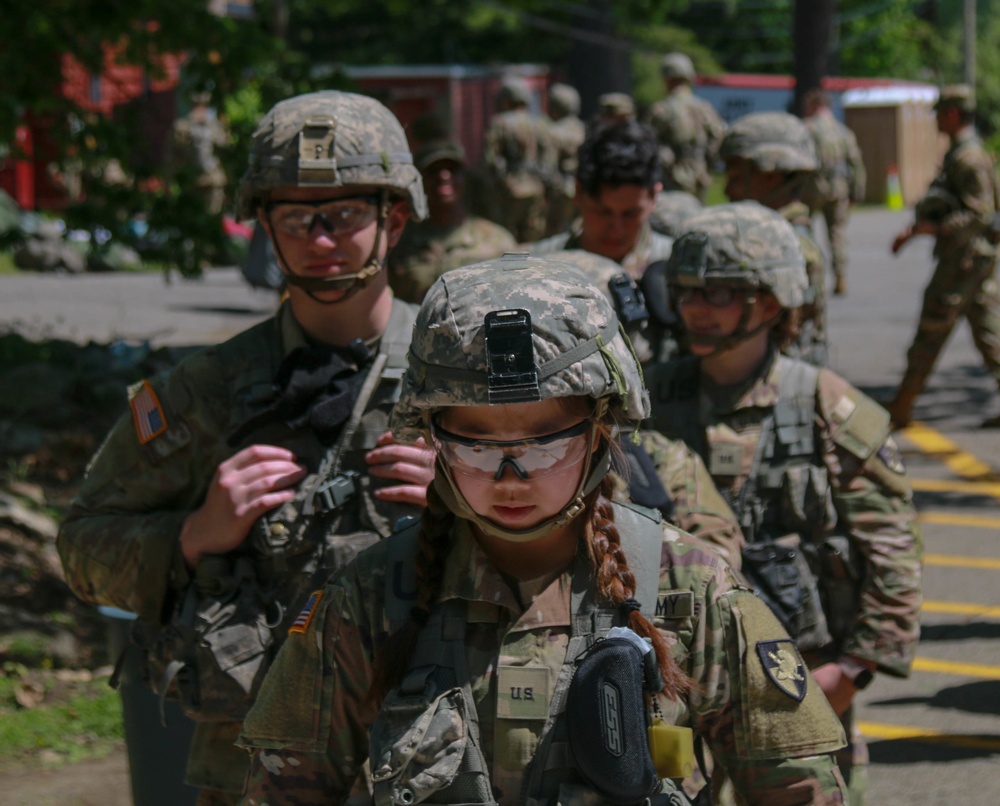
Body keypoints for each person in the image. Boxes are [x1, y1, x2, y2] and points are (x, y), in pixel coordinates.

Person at [237, 253, 848, 805]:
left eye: (545, 445)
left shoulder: (689, 588)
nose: (510, 477)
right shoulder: (371, 600)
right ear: (433, 440)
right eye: (475, 446)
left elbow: (799, 789)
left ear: (599, 431)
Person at [56, 90, 435, 804]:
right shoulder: (203, 393)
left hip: (438, 765)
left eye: (346, 215)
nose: (320, 239)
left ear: (397, 217)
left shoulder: (461, 375)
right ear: (263, 224)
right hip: (258, 775)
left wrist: (481, 502)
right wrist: (193, 536)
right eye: (295, 218)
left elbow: (598, 543)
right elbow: (82, 548)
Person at [645, 202, 923, 803]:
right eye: (687, 290)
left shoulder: (824, 405)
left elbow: (894, 556)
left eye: (718, 293)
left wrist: (851, 672)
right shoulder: (648, 397)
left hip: (801, 677)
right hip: (676, 679)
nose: (695, 306)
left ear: (769, 303)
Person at [888, 84, 1000, 428]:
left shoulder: (969, 158)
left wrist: (931, 230)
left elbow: (979, 214)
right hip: (972, 261)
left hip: (962, 263)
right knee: (989, 336)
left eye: (939, 113)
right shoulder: (961, 154)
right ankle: (902, 406)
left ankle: (901, 408)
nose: (937, 120)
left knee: (931, 329)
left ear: (952, 114)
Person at [720, 111, 828, 366]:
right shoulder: (776, 234)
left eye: (735, 178)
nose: (726, 190)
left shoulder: (788, 246)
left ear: (771, 175)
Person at [389, 139, 516, 303]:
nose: (443, 176)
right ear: (420, 183)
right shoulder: (400, 243)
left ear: (464, 178)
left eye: (452, 170)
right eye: (433, 171)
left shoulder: (498, 241)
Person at [802, 89, 866, 296]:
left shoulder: (806, 129)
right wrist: (858, 191)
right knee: (837, 235)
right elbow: (856, 163)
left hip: (812, 188)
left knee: (805, 233)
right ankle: (841, 278)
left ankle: (812, 277)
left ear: (813, 106)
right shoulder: (843, 132)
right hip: (839, 188)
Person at [480, 77, 555, 243]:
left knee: (506, 240)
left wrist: (499, 182)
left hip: (509, 189)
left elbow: (490, 159)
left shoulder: (499, 123)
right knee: (533, 239)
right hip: (536, 187)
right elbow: (549, 156)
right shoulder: (539, 123)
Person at [647, 52, 726, 202]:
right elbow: (717, 139)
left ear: (666, 79)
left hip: (670, 179)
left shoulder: (662, 110)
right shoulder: (705, 108)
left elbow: (648, 145)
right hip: (701, 178)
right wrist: (707, 166)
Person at [169, 90, 231, 216]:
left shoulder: (213, 125)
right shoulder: (184, 126)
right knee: (199, 217)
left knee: (207, 216)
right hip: (197, 180)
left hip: (208, 179)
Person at [545, 83, 586, 235]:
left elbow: (548, 166)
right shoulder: (585, 129)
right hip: (584, 189)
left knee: (557, 233)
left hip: (562, 190)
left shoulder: (553, 132)